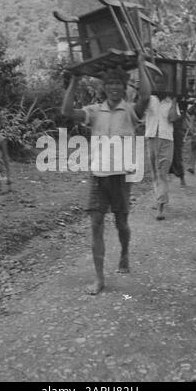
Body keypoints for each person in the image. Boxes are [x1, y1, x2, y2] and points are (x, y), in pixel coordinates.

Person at [62, 54, 152, 295]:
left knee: (121, 223)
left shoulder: (132, 111)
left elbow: (145, 95)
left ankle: (124, 252)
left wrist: (141, 64)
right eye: (110, 83)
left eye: (118, 83)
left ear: (124, 87)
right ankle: (99, 278)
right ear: (104, 87)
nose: (114, 87)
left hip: (121, 176)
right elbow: (67, 111)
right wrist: (74, 80)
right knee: (96, 225)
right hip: (97, 176)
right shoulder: (94, 111)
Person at [145, 87, 180, 220]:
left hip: (166, 140)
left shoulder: (170, 101)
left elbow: (172, 118)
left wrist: (175, 100)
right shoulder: (149, 99)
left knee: (162, 172)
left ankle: (160, 206)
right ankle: (160, 198)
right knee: (155, 173)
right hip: (152, 138)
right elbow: (140, 111)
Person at [170, 97, 188, 187]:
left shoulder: (182, 102)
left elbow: (183, 115)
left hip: (177, 129)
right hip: (168, 129)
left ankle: (182, 178)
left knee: (177, 154)